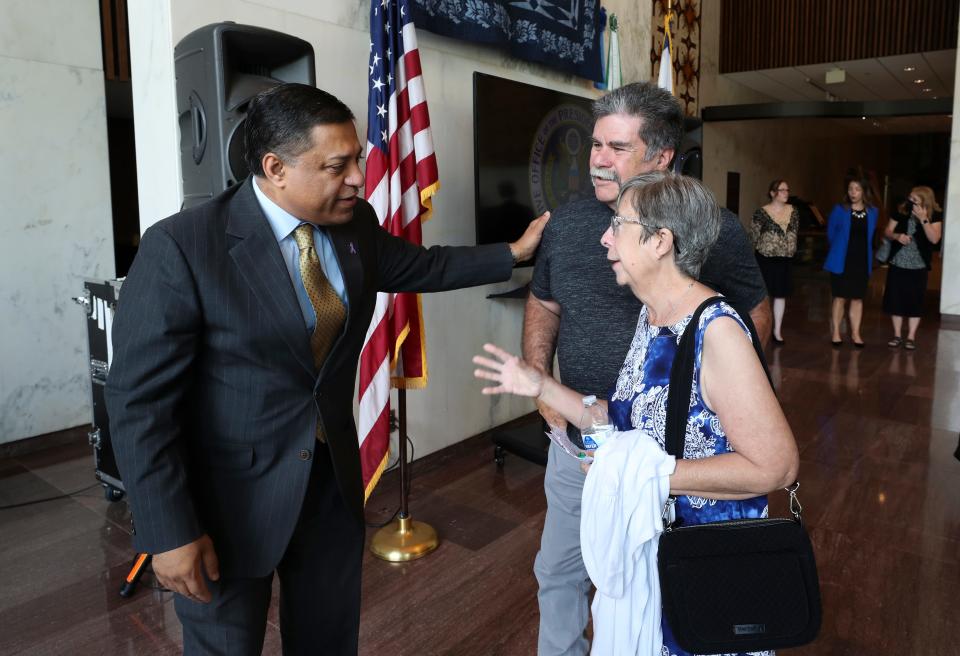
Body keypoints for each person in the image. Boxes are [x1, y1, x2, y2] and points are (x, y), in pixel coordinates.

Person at [104, 83, 548, 655]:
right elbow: (138, 403)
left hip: (330, 487)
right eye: (337, 166)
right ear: (276, 168)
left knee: (327, 640)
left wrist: (511, 254)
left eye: (358, 159)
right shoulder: (184, 247)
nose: (360, 179)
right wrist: (168, 532)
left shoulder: (354, 223)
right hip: (228, 505)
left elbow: (422, 265)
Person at [475, 171, 799, 655]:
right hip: (654, 556)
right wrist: (541, 384)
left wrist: (641, 476)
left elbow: (776, 466)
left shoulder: (716, 333)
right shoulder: (653, 318)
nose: (605, 238)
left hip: (701, 570)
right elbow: (623, 417)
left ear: (660, 242)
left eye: (618, 225)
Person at [521, 81, 771, 656]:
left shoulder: (714, 228)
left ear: (661, 158)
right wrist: (539, 381)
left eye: (617, 147)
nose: (599, 159)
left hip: (671, 459)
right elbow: (544, 300)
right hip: (580, 438)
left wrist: (727, 401)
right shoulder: (567, 222)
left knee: (657, 586)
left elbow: (750, 317)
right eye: (595, 145)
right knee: (560, 571)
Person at [882, 186, 942, 350]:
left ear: (925, 202)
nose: (910, 202)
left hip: (919, 265)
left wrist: (923, 219)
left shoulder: (934, 215)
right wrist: (897, 236)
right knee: (896, 299)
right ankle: (897, 335)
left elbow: (934, 238)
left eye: (915, 200)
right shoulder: (901, 211)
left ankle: (910, 337)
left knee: (915, 300)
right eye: (910, 198)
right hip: (898, 262)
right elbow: (887, 231)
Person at [824, 173, 878, 347]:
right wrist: (838, 249)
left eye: (857, 189)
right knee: (839, 297)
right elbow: (831, 233)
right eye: (850, 189)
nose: (853, 192)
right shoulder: (840, 210)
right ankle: (837, 333)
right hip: (841, 260)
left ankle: (855, 333)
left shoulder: (873, 212)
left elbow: (871, 237)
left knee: (857, 298)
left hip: (861, 261)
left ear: (864, 192)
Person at [750, 179, 799, 344]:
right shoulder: (761, 213)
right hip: (765, 259)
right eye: (782, 190)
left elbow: (795, 233)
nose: (786, 193)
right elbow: (754, 236)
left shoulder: (794, 211)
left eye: (787, 190)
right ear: (773, 193)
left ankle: (777, 331)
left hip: (785, 259)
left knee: (781, 295)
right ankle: (763, 328)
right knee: (765, 296)